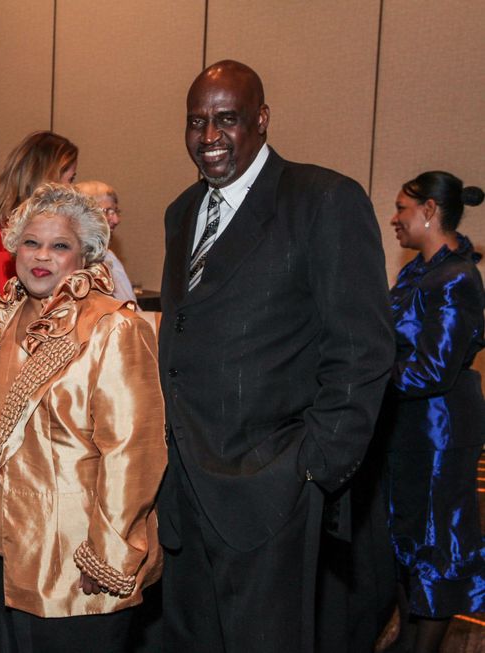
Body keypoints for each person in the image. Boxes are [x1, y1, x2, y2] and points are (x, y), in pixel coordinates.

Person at [156, 60, 394, 652]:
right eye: (196, 122)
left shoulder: (323, 200)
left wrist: (311, 469)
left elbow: (363, 348)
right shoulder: (182, 210)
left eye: (227, 119)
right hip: (183, 489)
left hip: (270, 488)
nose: (208, 137)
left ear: (261, 120)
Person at [0, 182, 165, 652]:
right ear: (13, 248)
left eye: (59, 245)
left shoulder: (113, 326)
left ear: (85, 255)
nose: (41, 256)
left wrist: (108, 555)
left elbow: (133, 452)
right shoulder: (0, 317)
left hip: (72, 560)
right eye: (31, 242)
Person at [381, 171, 485, 653]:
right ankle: (407, 636)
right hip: (411, 428)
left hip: (440, 431)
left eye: (403, 207)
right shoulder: (418, 271)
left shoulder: (458, 276)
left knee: (437, 543)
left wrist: (367, 379)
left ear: (429, 211)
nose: (395, 218)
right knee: (405, 538)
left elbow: (433, 370)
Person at [0, 131, 78, 302]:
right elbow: (5, 317)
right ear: (48, 180)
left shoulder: (71, 233)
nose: (74, 189)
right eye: (70, 179)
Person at [74, 180, 136, 304]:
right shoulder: (75, 261)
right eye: (107, 211)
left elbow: (130, 307)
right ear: (85, 215)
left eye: (116, 211)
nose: (116, 220)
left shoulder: (109, 257)